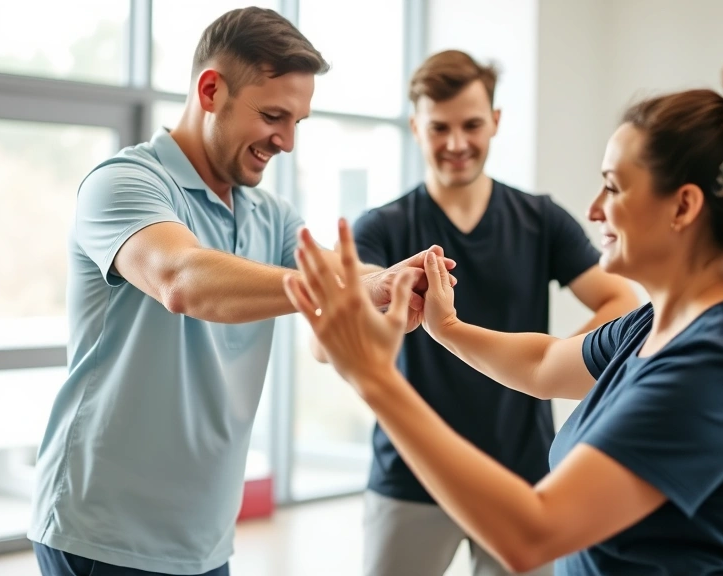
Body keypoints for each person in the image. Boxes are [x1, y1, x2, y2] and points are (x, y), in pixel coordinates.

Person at [287, 46, 723, 575]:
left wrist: (376, 381)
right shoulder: (653, 324)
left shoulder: (718, 362)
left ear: (683, 206)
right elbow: (543, 364)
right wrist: (449, 329)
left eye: (613, 187)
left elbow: (533, 532)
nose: (594, 208)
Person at [27, 8, 453, 576]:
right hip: (101, 532)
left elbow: (329, 270)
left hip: (203, 540)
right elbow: (182, 279)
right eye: (274, 115)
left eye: (298, 121)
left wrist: (385, 286)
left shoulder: (269, 215)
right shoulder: (124, 184)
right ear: (210, 90)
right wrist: (345, 285)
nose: (287, 141)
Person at [343, 50, 638, 576]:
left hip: (520, 473)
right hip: (412, 475)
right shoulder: (382, 226)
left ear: (495, 122)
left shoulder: (540, 219)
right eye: (440, 128)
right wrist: (372, 291)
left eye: (472, 125)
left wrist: (554, 360)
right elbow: (349, 301)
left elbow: (620, 300)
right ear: (415, 127)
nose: (457, 143)